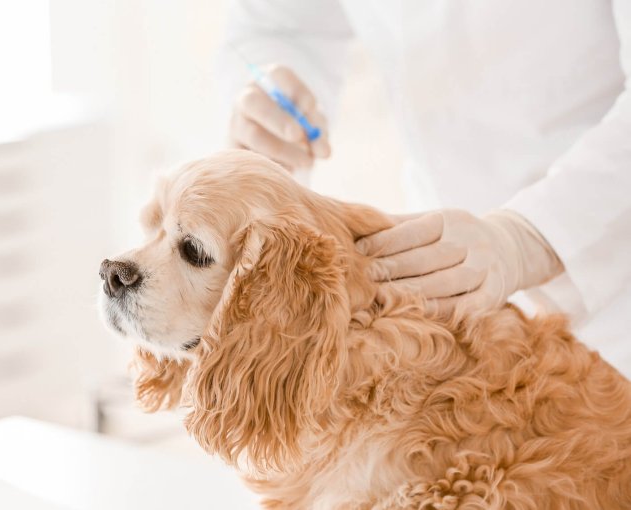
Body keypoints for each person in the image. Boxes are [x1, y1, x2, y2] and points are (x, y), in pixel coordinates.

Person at [221, 1, 631, 377]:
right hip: (441, 294)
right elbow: (281, 24)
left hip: (611, 276)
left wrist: (528, 239)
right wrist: (271, 92)